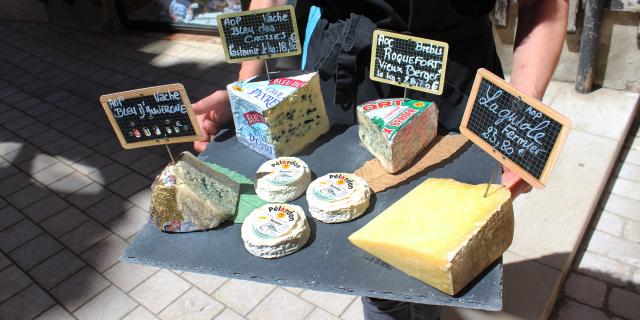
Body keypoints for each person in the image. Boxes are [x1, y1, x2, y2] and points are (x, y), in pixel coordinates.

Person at [193, 0, 568, 319]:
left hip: (452, 83)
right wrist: (247, 92)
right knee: (363, 248)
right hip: (343, 77)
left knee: (428, 250)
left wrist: (521, 121)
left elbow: (543, 5)